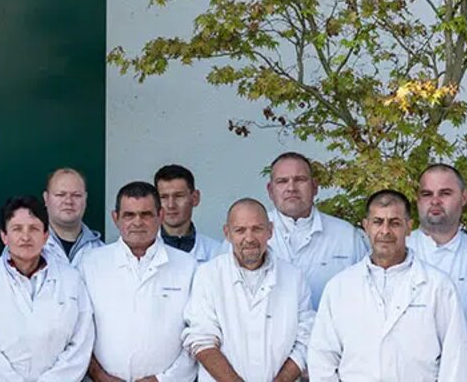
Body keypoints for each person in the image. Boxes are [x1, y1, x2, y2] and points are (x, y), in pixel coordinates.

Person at [308, 189, 467, 381]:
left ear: (409, 227)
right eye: (378, 222)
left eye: (394, 223)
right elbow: (322, 357)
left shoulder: (438, 286)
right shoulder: (340, 287)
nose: (385, 231)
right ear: (366, 226)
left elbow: (455, 359)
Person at [182, 198, 313, 382]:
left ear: (270, 230)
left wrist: (282, 380)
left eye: (257, 229)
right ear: (227, 233)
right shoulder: (208, 275)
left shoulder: (293, 278)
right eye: (240, 230)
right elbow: (201, 339)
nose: (249, 238)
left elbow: (305, 338)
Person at [0, 196, 94, 381]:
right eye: (17, 229)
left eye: (34, 228)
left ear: (46, 235)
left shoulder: (71, 280)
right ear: (4, 236)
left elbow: (81, 342)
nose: (25, 237)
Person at [78, 182, 198, 382]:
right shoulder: (90, 264)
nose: (137, 222)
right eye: (129, 215)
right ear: (115, 218)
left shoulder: (187, 266)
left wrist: (163, 379)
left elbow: (196, 334)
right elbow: (77, 332)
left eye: (146, 214)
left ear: (160, 216)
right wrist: (98, 375)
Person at [264, 152, 368, 308]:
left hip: (332, 331)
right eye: (282, 181)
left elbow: (367, 291)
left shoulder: (346, 235)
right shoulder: (249, 234)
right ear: (270, 190)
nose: (291, 188)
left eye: (300, 180)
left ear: (314, 187)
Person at [408, 164, 467, 309]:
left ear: (464, 197)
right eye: (427, 194)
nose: (435, 201)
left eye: (445, 193)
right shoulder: (398, 251)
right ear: (417, 199)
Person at [154, 164, 223, 263]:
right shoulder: (143, 252)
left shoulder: (216, 253)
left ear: (195, 198)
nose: (171, 205)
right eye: (163, 197)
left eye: (178, 196)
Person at [41, 168, 103, 264]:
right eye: (60, 195)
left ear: (85, 199)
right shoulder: (30, 246)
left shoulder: (103, 252)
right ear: (46, 198)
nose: (68, 201)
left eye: (76, 195)